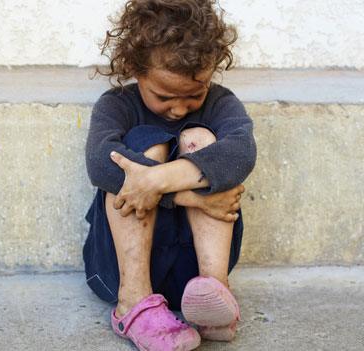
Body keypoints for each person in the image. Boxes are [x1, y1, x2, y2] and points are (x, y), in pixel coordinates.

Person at [82, 0, 256, 349]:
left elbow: (242, 153)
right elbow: (100, 164)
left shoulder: (222, 103)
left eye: (194, 94)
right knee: (143, 145)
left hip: (192, 275)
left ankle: (214, 294)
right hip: (120, 270)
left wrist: (159, 182)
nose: (178, 108)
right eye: (164, 96)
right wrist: (187, 195)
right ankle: (134, 305)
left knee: (202, 140)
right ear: (135, 69)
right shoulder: (116, 105)